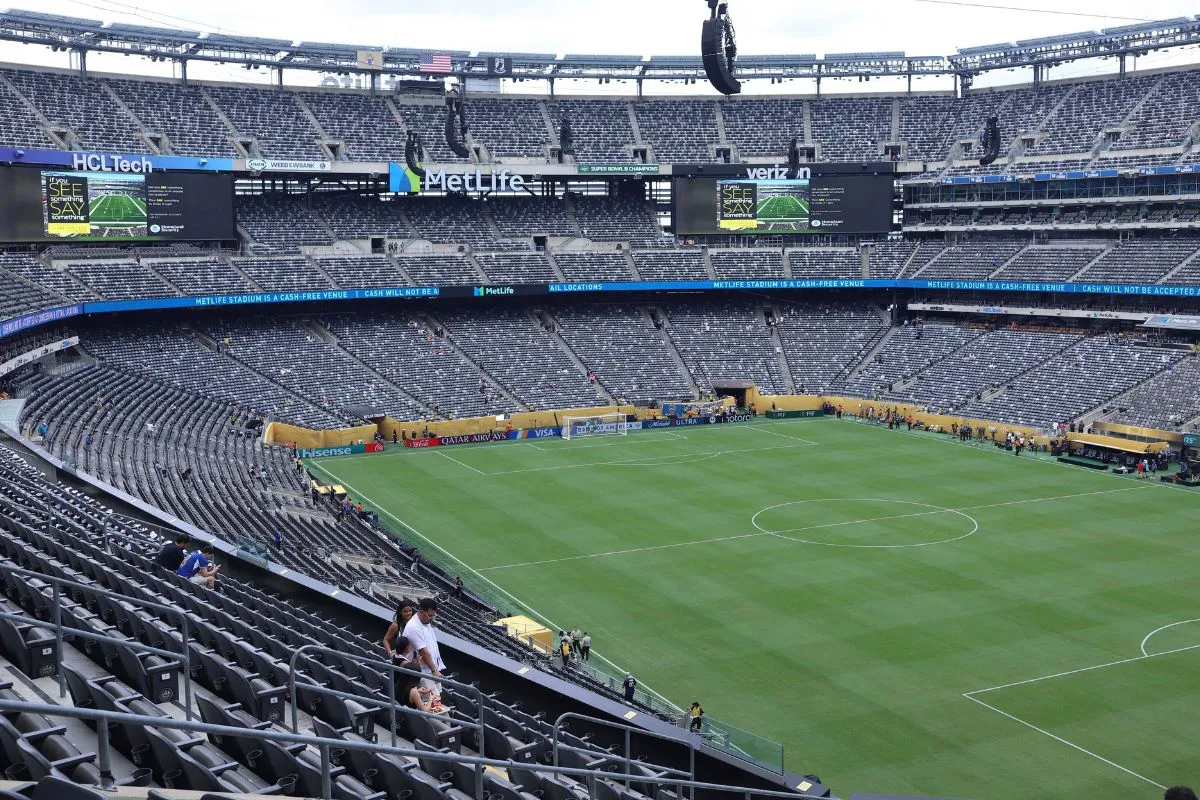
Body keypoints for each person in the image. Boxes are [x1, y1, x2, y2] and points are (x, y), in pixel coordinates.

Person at [403, 597, 445, 698]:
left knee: (435, 701)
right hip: (424, 673)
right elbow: (423, 651)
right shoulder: (414, 626)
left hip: (430, 671)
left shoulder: (425, 621)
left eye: (433, 615)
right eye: (430, 615)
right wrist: (434, 670)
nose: (431, 618)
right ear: (421, 612)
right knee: (434, 704)